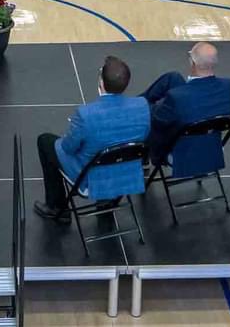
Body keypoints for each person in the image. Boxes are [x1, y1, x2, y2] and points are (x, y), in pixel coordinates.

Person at [34, 55, 150, 222]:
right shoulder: (142, 106)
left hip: (92, 180)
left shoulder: (86, 115)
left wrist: (72, 133)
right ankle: (107, 204)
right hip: (126, 175)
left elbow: (68, 148)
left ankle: (56, 207)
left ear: (101, 83)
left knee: (45, 141)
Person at [140, 42, 230, 167]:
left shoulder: (177, 97)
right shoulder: (229, 86)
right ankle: (138, 102)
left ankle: (132, 107)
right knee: (173, 77)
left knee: (143, 112)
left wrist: (144, 107)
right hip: (210, 144)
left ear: (193, 62)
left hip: (182, 150)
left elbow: (157, 118)